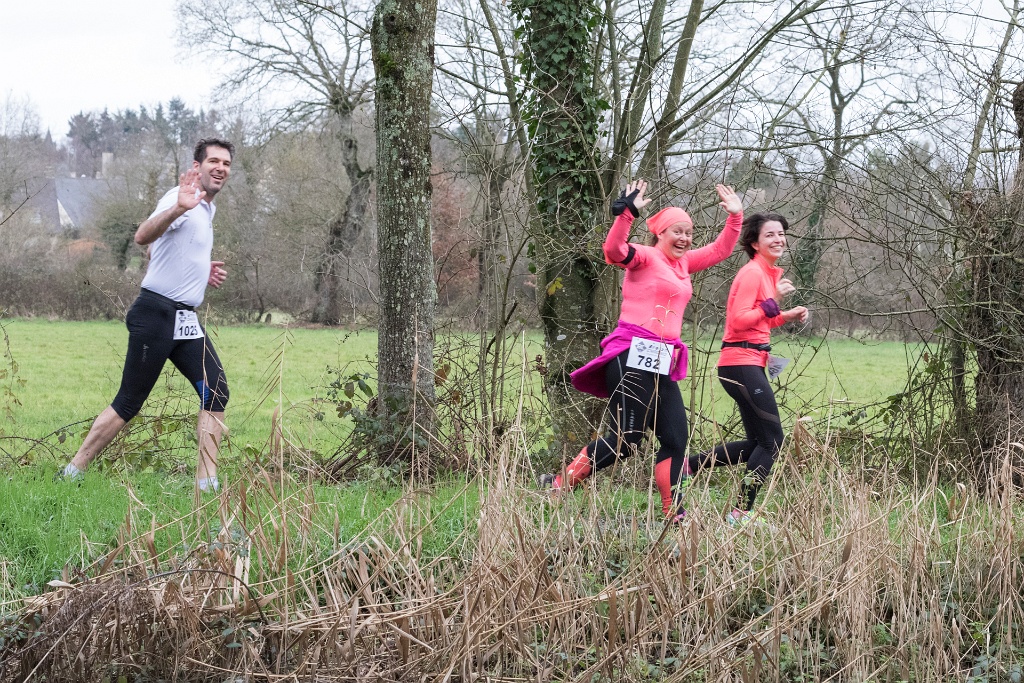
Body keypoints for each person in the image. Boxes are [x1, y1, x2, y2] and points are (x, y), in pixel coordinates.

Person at [539, 179, 744, 520]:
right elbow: (613, 251)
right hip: (631, 354)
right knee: (626, 440)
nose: (684, 238)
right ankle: (559, 484)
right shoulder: (646, 256)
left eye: (689, 233)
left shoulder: (684, 264)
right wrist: (626, 215)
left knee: (675, 439)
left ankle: (673, 513)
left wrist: (735, 217)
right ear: (660, 233)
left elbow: (720, 251)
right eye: (677, 231)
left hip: (662, 359)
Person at [61, 138, 235, 493]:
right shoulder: (180, 197)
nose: (220, 168)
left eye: (226, 163)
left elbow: (159, 251)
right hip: (156, 314)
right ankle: (72, 473)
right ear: (197, 166)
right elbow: (143, 236)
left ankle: (206, 484)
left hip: (184, 319)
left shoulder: (206, 209)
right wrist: (178, 208)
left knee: (215, 392)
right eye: (213, 161)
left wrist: (199, 271)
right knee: (129, 402)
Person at [684, 212, 808, 525]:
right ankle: (741, 512)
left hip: (750, 362)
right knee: (773, 441)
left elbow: (759, 322)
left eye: (781, 234)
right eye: (770, 235)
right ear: (754, 243)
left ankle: (687, 467)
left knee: (757, 443)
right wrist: (773, 300)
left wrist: (786, 315)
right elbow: (738, 322)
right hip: (740, 365)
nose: (778, 239)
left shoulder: (767, 273)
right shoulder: (753, 273)